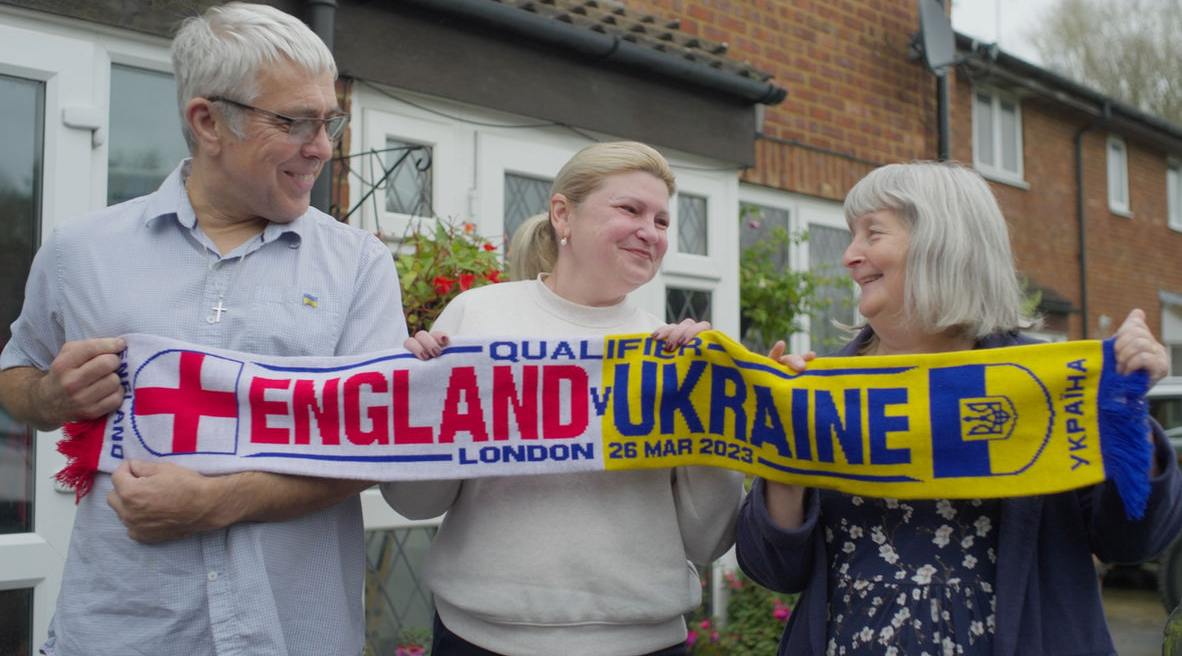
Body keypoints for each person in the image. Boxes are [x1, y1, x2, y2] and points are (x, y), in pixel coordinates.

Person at [0, 2, 407, 655]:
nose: (323, 147)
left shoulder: (358, 265)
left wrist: (218, 501)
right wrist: (50, 396)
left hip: (294, 632)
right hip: (126, 628)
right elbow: (16, 373)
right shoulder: (82, 251)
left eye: (329, 120)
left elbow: (376, 443)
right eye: (296, 121)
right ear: (208, 121)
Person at [735, 161, 1182, 655]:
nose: (849, 255)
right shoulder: (823, 386)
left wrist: (1127, 409)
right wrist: (781, 455)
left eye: (872, 233)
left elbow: (1132, 541)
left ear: (941, 242)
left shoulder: (1042, 383)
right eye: (851, 235)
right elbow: (774, 569)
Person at [384, 141, 744, 656]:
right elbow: (414, 500)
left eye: (663, 221)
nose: (651, 231)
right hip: (478, 640)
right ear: (562, 215)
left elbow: (707, 541)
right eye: (630, 209)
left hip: (646, 644)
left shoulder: (674, 355)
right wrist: (418, 397)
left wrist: (715, 413)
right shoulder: (476, 319)